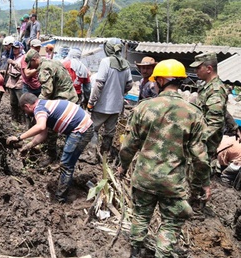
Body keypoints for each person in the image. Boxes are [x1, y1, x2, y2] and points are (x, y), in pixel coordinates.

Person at [118, 59, 211, 258]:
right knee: (171, 222)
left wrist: (122, 167)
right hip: (172, 181)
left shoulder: (144, 108)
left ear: (161, 80)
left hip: (144, 176)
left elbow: (129, 144)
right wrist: (203, 183)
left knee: (141, 215)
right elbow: (200, 157)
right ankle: (162, 253)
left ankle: (135, 253)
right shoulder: (193, 113)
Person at [6, 93, 93, 202]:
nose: (26, 113)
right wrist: (29, 145)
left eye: (25, 111)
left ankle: (60, 198)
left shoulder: (39, 109)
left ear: (27, 106)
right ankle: (64, 188)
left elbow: (40, 126)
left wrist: (19, 138)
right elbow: (43, 133)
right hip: (80, 128)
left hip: (81, 130)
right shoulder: (44, 105)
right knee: (67, 163)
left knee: (66, 164)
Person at [87, 38, 133, 157]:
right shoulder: (125, 64)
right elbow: (129, 85)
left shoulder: (106, 61)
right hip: (117, 106)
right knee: (109, 132)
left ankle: (91, 155)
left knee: (93, 129)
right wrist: (119, 92)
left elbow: (98, 84)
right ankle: (104, 155)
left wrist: (91, 102)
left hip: (102, 105)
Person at [189, 52, 230, 161]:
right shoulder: (208, 87)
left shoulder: (215, 90)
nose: (195, 71)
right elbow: (222, 111)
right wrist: (234, 127)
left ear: (209, 68)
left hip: (204, 147)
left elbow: (215, 122)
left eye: (198, 68)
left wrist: (195, 141)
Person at [6, 41, 26, 122]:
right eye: (13, 48)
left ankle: (23, 120)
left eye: (16, 48)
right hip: (12, 81)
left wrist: (13, 63)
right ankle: (15, 119)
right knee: (13, 102)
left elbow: (23, 69)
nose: (15, 50)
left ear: (20, 48)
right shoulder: (13, 57)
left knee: (21, 102)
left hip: (19, 81)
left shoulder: (23, 57)